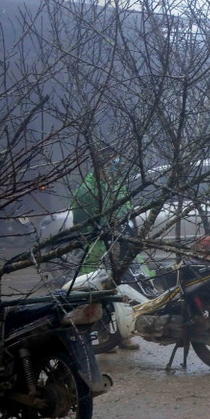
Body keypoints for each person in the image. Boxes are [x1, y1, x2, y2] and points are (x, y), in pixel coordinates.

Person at [71, 149, 138, 349]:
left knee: (126, 289)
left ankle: (124, 333)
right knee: (99, 292)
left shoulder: (118, 185)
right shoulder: (87, 190)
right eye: (110, 164)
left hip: (121, 243)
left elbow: (129, 210)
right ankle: (103, 334)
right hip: (98, 248)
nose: (115, 168)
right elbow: (81, 222)